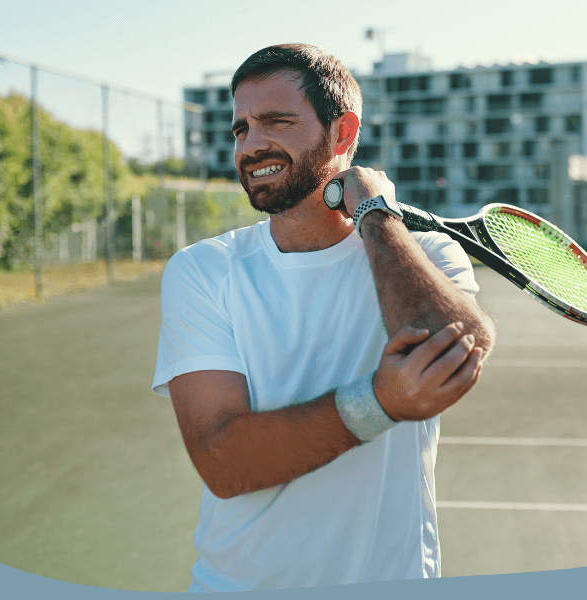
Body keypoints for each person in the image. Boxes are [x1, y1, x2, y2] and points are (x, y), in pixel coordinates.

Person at [151, 43, 495, 592]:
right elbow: (225, 462)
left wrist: (376, 216)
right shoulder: (203, 270)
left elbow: (454, 354)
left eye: (276, 121)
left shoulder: (427, 255)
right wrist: (379, 402)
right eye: (240, 128)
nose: (251, 143)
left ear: (342, 132)